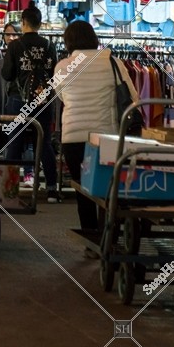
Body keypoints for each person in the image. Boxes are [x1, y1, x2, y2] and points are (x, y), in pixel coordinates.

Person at [52, 21, 137, 256]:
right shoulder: (113, 62)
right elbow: (132, 96)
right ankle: (109, 235)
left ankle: (91, 239)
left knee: (84, 190)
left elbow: (62, 96)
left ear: (68, 42)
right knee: (107, 188)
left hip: (73, 137)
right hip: (106, 138)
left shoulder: (62, 67)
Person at [0, 5, 60, 201]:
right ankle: (51, 189)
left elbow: (7, 75)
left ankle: (9, 190)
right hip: (42, 101)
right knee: (44, 144)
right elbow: (54, 76)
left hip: (18, 99)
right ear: (40, 24)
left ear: (23, 23)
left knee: (14, 143)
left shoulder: (15, 46)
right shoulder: (49, 46)